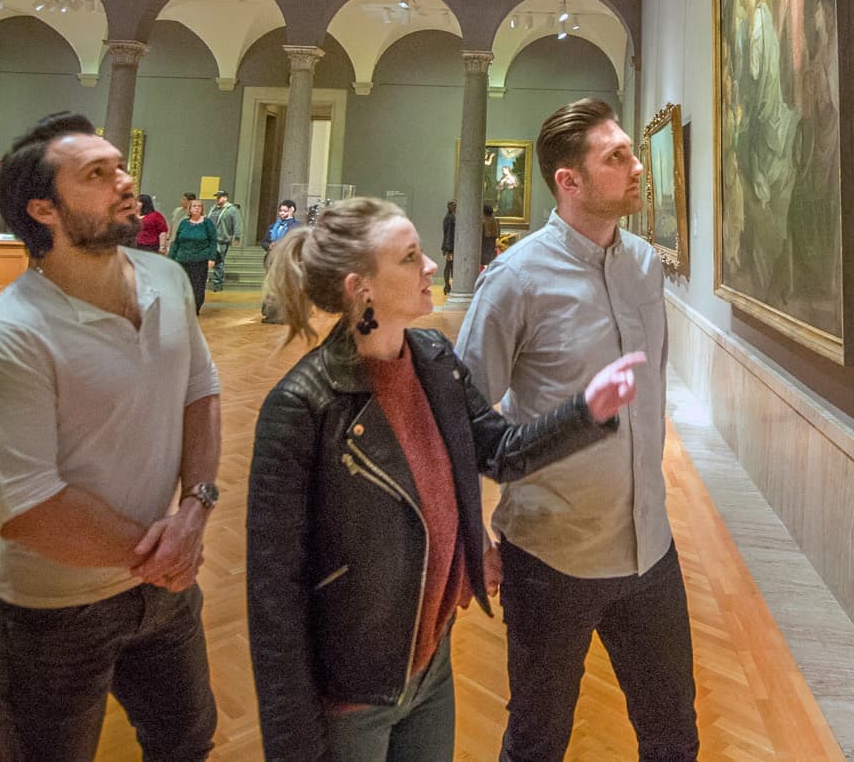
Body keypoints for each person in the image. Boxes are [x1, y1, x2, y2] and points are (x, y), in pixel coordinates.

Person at [246, 197, 645, 762]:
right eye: (410, 258)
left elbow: (498, 451)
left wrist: (586, 410)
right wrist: (291, 744)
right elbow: (273, 595)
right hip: (353, 691)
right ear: (362, 289)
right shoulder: (302, 406)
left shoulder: (431, 357)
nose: (431, 265)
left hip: (430, 665)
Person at [0, 112, 222, 760]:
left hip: (163, 596)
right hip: (49, 611)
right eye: (97, 174)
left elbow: (199, 390)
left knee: (186, 742)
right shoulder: (9, 333)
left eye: (120, 166)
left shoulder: (162, 279)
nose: (124, 181)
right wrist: (164, 552)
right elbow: (28, 507)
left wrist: (196, 505)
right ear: (43, 207)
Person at [456, 98, 699, 762]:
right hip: (552, 556)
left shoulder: (645, 263)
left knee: (674, 738)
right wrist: (469, 531)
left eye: (631, 150)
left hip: (650, 549)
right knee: (537, 741)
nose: (636, 165)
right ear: (569, 181)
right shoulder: (514, 279)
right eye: (616, 156)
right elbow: (462, 412)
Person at [168, 194, 221, 314]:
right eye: (194, 206)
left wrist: (211, 258)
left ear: (202, 209)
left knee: (197, 286)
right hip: (182, 258)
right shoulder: (184, 223)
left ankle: (194, 308)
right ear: (189, 209)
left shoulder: (207, 223)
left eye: (199, 206)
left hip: (200, 259)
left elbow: (213, 241)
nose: (196, 208)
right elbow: (176, 242)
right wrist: (171, 258)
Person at [211, 189, 242, 289]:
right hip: (211, 237)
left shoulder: (231, 209)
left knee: (219, 261)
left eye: (219, 197)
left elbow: (237, 223)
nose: (217, 199)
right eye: (217, 197)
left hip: (222, 238)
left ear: (225, 198)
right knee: (213, 260)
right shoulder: (213, 208)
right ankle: (216, 280)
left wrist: (237, 236)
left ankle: (218, 283)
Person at [440, 199, 457, 290]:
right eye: (452, 205)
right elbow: (449, 234)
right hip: (450, 246)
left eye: (455, 205)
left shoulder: (452, 217)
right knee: (449, 265)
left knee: (451, 265)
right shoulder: (450, 218)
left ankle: (448, 286)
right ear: (449, 207)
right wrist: (449, 249)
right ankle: (447, 286)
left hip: (451, 245)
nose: (454, 207)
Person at [480, 202, 501, 268]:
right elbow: (497, 234)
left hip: (485, 243)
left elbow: (486, 234)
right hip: (492, 243)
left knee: (484, 262)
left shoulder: (484, 221)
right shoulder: (495, 220)